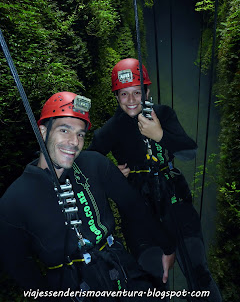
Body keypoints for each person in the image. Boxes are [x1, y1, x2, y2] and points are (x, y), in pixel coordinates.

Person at [0, 91, 175, 302]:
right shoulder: (13, 202)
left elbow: (134, 206)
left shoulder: (95, 164)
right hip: (71, 288)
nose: (74, 142)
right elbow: (19, 266)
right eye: (64, 130)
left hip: (120, 268)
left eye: (80, 134)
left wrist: (167, 247)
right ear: (43, 131)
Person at [88, 58, 222, 302]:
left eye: (137, 92)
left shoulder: (163, 114)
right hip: (138, 207)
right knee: (153, 279)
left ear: (147, 92)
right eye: (124, 94)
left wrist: (159, 135)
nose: (131, 100)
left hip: (174, 196)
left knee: (197, 269)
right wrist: (110, 173)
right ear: (116, 97)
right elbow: (89, 168)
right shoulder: (109, 130)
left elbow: (189, 151)